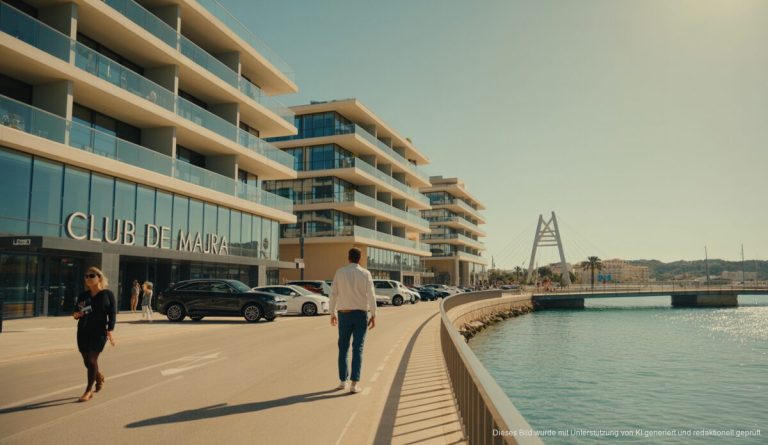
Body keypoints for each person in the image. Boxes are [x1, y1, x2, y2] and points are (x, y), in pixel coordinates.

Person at [329, 247, 376, 394]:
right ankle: (354, 384)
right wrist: (374, 314)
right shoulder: (366, 273)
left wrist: (332, 313)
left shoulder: (340, 272)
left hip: (344, 314)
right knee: (358, 348)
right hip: (361, 315)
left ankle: (343, 381)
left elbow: (333, 294)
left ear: (348, 257)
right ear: (360, 259)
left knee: (343, 348)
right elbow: (371, 295)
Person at [73, 266, 116, 402]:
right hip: (83, 331)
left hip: (99, 332)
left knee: (92, 360)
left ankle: (88, 391)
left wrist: (110, 330)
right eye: (86, 276)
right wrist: (77, 314)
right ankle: (98, 377)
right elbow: (75, 313)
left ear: (99, 278)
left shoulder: (107, 294)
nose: (88, 278)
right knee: (87, 362)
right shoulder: (83, 295)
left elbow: (112, 314)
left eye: (92, 276)